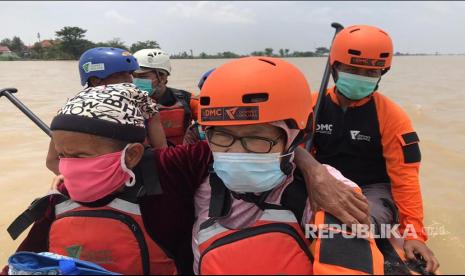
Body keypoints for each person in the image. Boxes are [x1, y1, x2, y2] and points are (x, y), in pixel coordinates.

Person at [6, 81, 370, 274]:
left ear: (132, 154)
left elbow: (261, 141)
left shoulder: (169, 169)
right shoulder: (60, 199)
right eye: (61, 155)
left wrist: (314, 170)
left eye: (81, 156)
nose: (65, 166)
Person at [191, 56, 382, 274]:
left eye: (256, 138)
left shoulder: (329, 194)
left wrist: (314, 170)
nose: (236, 152)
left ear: (295, 136)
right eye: (222, 136)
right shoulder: (199, 180)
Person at [311, 25, 439, 273]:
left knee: (355, 224)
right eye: (352, 69)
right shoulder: (312, 105)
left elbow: (406, 179)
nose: (361, 76)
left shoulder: (392, 116)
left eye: (370, 72)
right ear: (335, 67)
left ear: (383, 72)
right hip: (323, 182)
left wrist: (414, 233)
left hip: (372, 190)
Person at [45, 47, 167, 175]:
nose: (130, 80)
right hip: (130, 179)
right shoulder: (144, 103)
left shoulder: (70, 109)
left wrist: (78, 180)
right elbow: (163, 154)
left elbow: (52, 162)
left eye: (130, 74)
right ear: (95, 79)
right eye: (121, 74)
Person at [132, 49, 201, 146]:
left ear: (163, 77)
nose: (136, 81)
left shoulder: (187, 99)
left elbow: (212, 123)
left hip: (179, 157)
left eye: (142, 76)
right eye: (134, 76)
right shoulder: (125, 101)